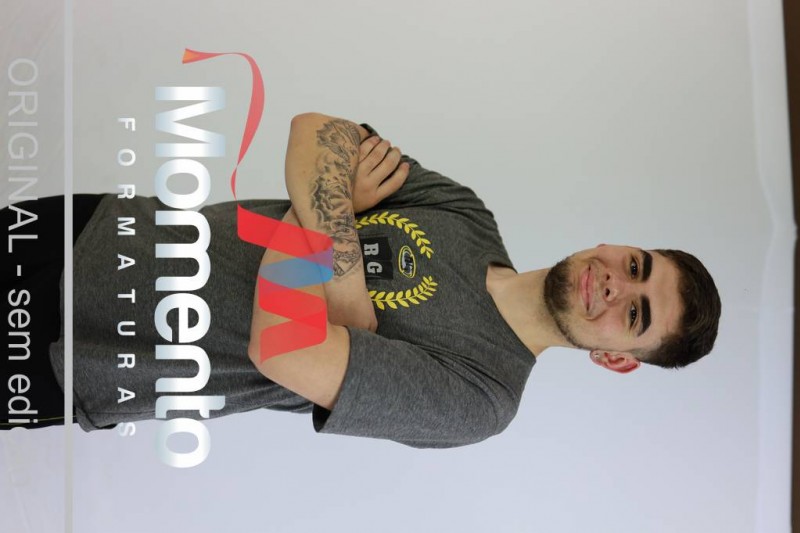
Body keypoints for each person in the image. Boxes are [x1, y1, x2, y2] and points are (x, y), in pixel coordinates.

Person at [1, 113, 721, 448]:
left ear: (616, 358)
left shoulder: (482, 396)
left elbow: (283, 349)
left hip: (85, 354)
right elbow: (318, 133)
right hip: (102, 228)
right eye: (637, 266)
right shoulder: (466, 214)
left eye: (635, 314)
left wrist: (323, 209)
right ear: (614, 245)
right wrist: (340, 283)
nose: (617, 286)